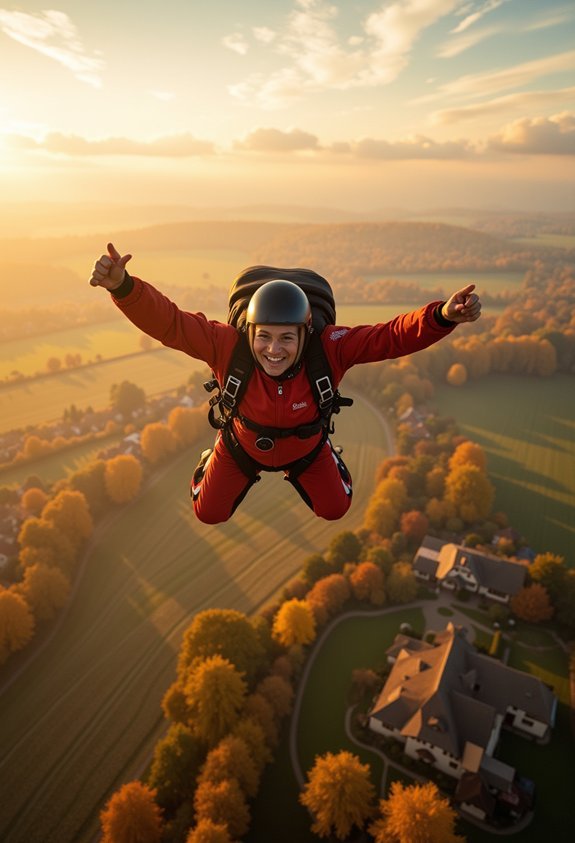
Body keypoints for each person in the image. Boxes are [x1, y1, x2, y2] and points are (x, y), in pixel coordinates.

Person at [90, 243, 481, 524]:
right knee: (207, 513)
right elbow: (171, 324)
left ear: (305, 334)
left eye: (286, 338)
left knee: (335, 509)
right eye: (264, 336)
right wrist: (123, 287)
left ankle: (330, 455)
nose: (273, 350)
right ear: (250, 332)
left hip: (306, 449)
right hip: (241, 446)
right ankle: (209, 460)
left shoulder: (329, 349)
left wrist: (442, 317)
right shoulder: (227, 347)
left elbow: (389, 337)